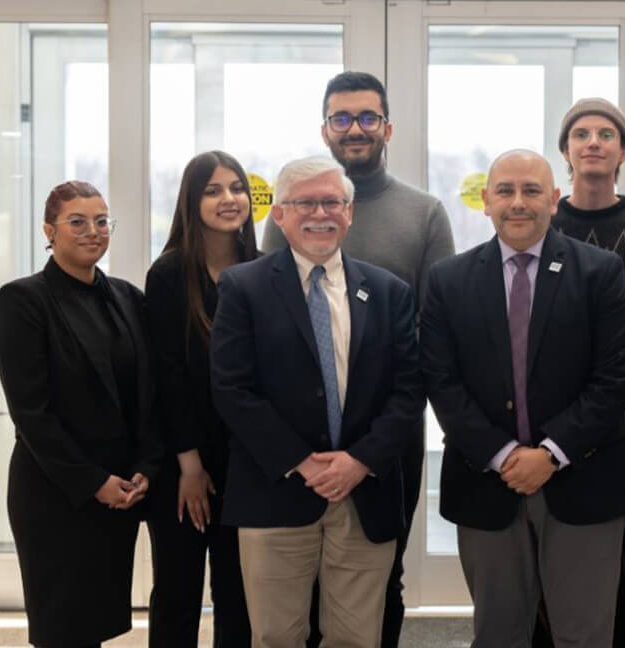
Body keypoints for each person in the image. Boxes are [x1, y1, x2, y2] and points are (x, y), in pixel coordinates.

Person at [420, 149, 625, 647]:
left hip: (583, 480)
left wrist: (550, 454)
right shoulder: (448, 280)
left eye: (531, 190)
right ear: (485, 202)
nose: (517, 203)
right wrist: (503, 456)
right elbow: (441, 381)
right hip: (485, 484)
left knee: (584, 636)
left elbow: (615, 377)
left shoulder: (600, 272)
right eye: (505, 191)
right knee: (498, 635)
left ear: (554, 199)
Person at [261, 71, 454, 647]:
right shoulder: (297, 208)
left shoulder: (424, 214)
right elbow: (275, 310)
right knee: (301, 583)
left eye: (367, 118)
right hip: (304, 440)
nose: (355, 129)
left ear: (387, 128)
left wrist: (374, 438)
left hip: (386, 434)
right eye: (341, 118)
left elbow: (435, 329)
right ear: (325, 130)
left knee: (380, 576)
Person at [211, 156, 425, 647]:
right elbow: (231, 388)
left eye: (332, 201)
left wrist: (359, 461)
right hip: (274, 490)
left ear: (349, 213)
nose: (320, 213)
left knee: (356, 639)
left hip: (363, 493)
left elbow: (409, 389)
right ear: (280, 215)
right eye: (305, 202)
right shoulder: (243, 288)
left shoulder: (390, 292)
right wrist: (302, 463)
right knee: (276, 637)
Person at [0, 180, 162, 647]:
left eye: (102, 220)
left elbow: (146, 396)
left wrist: (145, 467)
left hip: (120, 491)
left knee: (99, 623)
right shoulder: (22, 300)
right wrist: (93, 483)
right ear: (49, 230)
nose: (94, 230)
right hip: (57, 494)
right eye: (78, 221)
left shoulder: (128, 298)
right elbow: (32, 413)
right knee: (62, 629)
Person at [533, 97, 625, 648]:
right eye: (580, 133)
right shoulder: (536, 223)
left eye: (606, 134)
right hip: (547, 429)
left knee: (624, 578)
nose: (592, 142)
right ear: (565, 151)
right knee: (543, 581)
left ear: (623, 152)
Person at [145, 151, 257, 647]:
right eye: (213, 190)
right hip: (182, 461)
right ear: (192, 202)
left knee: (239, 593)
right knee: (177, 590)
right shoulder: (169, 274)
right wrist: (189, 464)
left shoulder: (262, 269)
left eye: (236, 188)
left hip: (247, 461)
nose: (228, 199)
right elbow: (168, 377)